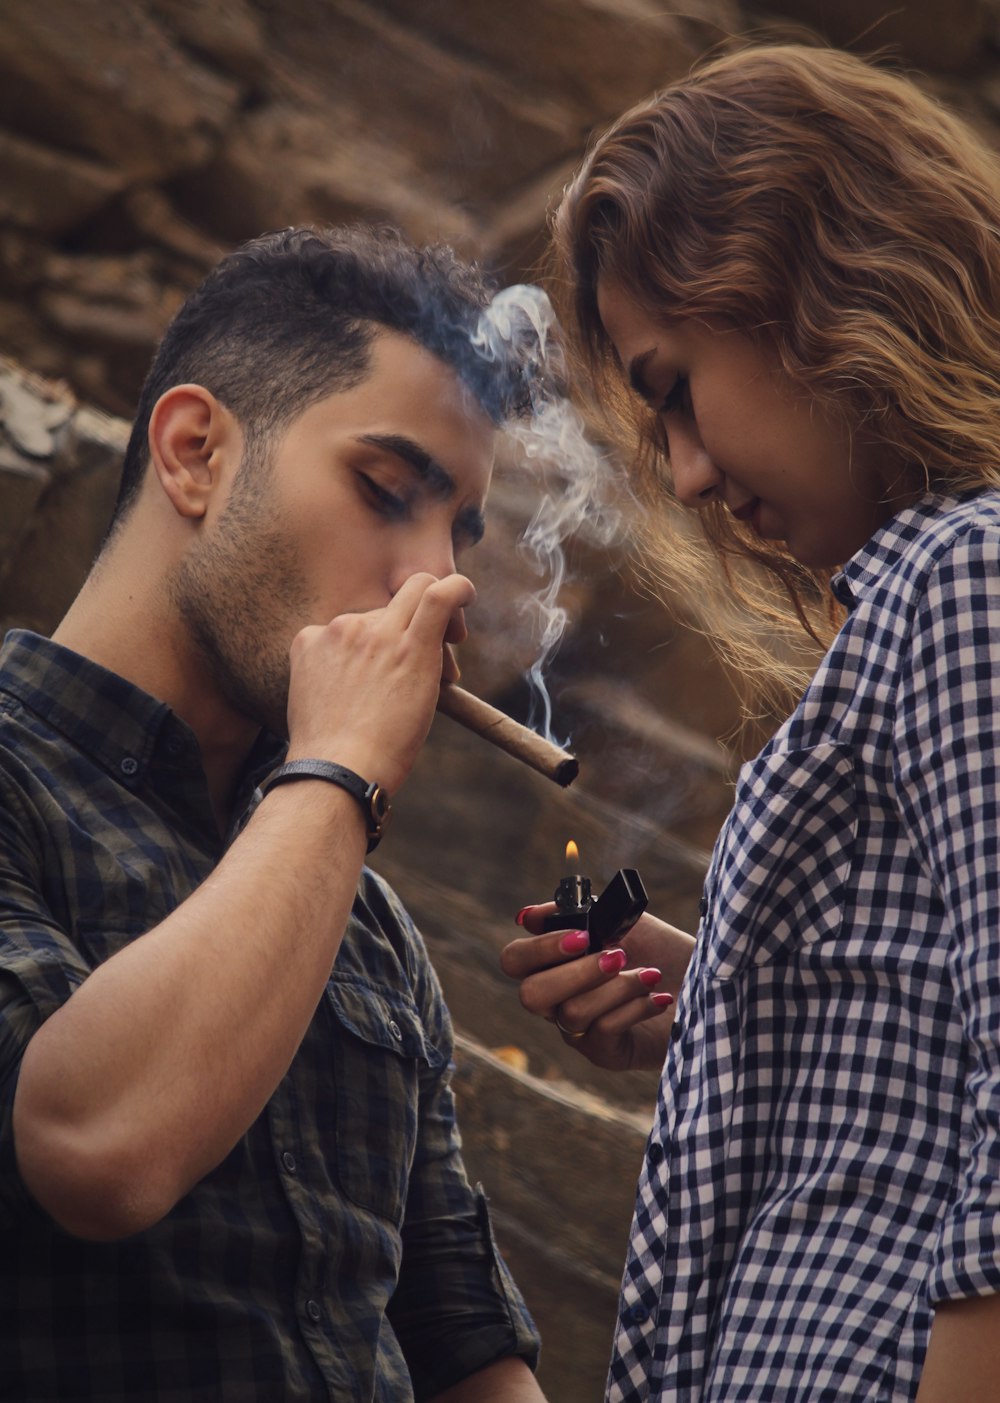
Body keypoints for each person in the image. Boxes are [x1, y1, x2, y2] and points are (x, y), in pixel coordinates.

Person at [500, 42, 1000, 1402]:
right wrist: (723, 990)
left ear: (814, 292)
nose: (688, 473)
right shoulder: (919, 596)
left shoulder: (965, 579)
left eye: (673, 389)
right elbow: (934, 1025)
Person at [0, 224, 548, 1401]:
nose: (435, 584)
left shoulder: (368, 923)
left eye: (457, 531)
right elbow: (93, 1146)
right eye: (386, 491)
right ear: (195, 452)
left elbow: (466, 1351)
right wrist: (341, 762)